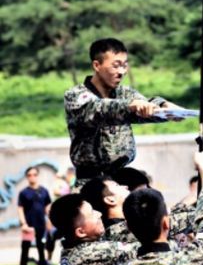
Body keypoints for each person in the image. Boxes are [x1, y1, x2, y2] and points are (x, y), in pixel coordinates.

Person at [64, 38, 183, 186]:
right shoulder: (76, 95)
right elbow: (99, 109)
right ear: (97, 65)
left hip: (122, 179)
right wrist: (130, 106)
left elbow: (145, 105)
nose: (122, 72)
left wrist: (165, 107)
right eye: (116, 66)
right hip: (90, 182)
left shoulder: (125, 93)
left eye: (125, 65)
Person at [18, 166, 51, 265]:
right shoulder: (23, 193)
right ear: (27, 177)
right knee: (25, 246)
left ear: (37, 176)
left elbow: (48, 207)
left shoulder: (44, 191)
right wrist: (23, 223)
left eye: (34, 174)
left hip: (41, 224)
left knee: (41, 247)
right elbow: (20, 209)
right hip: (28, 225)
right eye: (29, 175)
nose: (32, 177)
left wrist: (49, 221)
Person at [80, 177, 136, 243]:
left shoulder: (110, 231)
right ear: (110, 200)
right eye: (117, 185)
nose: (126, 186)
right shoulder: (128, 229)